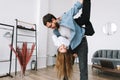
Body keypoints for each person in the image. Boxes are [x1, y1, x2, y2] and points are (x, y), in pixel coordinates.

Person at [42, 0, 95, 80]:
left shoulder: (65, 17)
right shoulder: (56, 32)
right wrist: (71, 51)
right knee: (65, 65)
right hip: (72, 46)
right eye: (49, 27)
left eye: (50, 25)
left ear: (53, 19)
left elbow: (75, 7)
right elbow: (60, 41)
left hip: (81, 42)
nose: (51, 28)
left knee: (83, 68)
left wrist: (82, 1)